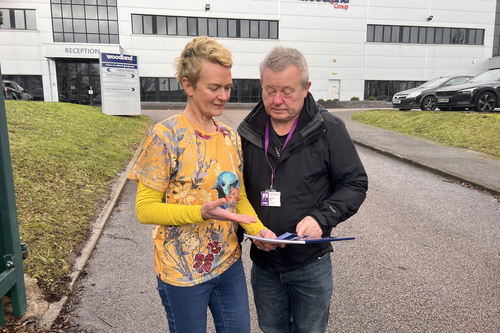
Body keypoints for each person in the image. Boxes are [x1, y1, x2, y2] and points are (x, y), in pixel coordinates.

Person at [128, 36, 275, 333]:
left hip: (228, 263)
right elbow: (144, 210)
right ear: (188, 85)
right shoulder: (165, 136)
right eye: (214, 88)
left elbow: (237, 197)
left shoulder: (230, 137)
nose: (223, 95)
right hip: (181, 272)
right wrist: (201, 212)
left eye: (227, 87)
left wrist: (257, 229)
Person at [237, 46, 369, 333]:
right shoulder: (247, 131)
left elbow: (355, 183)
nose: (277, 100)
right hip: (264, 265)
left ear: (306, 88)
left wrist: (322, 218)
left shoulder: (329, 129)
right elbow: (238, 193)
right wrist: (251, 230)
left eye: (287, 91)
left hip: (310, 264)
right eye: (270, 90)